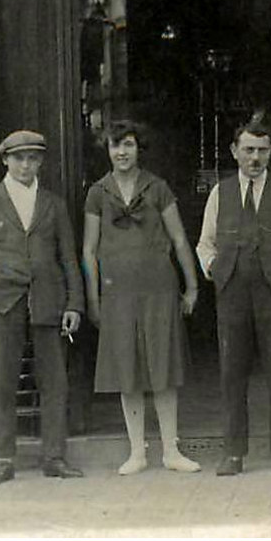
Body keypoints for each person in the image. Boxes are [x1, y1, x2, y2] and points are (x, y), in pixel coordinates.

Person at [0, 129, 85, 485]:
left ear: (40, 161)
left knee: (54, 382)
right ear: (6, 160)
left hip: (49, 301)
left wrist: (74, 303)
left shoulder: (54, 204)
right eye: (19, 158)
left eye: (33, 158)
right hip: (6, 302)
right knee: (4, 382)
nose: (26, 165)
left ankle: (54, 457)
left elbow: (69, 258)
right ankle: (3, 459)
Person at [195, 114, 271, 476]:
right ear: (234, 151)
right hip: (232, 295)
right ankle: (233, 453)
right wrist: (215, 269)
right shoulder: (221, 192)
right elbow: (204, 243)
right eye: (248, 150)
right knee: (232, 373)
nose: (255, 158)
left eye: (262, 151)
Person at [80, 121, 203, 475]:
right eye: (116, 146)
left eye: (129, 145)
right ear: (107, 150)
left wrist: (191, 286)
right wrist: (93, 298)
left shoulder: (158, 187)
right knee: (127, 369)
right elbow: (88, 250)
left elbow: (179, 239)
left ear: (139, 149)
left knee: (162, 367)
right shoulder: (98, 193)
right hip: (117, 293)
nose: (122, 152)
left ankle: (171, 451)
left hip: (159, 290)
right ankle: (137, 452)